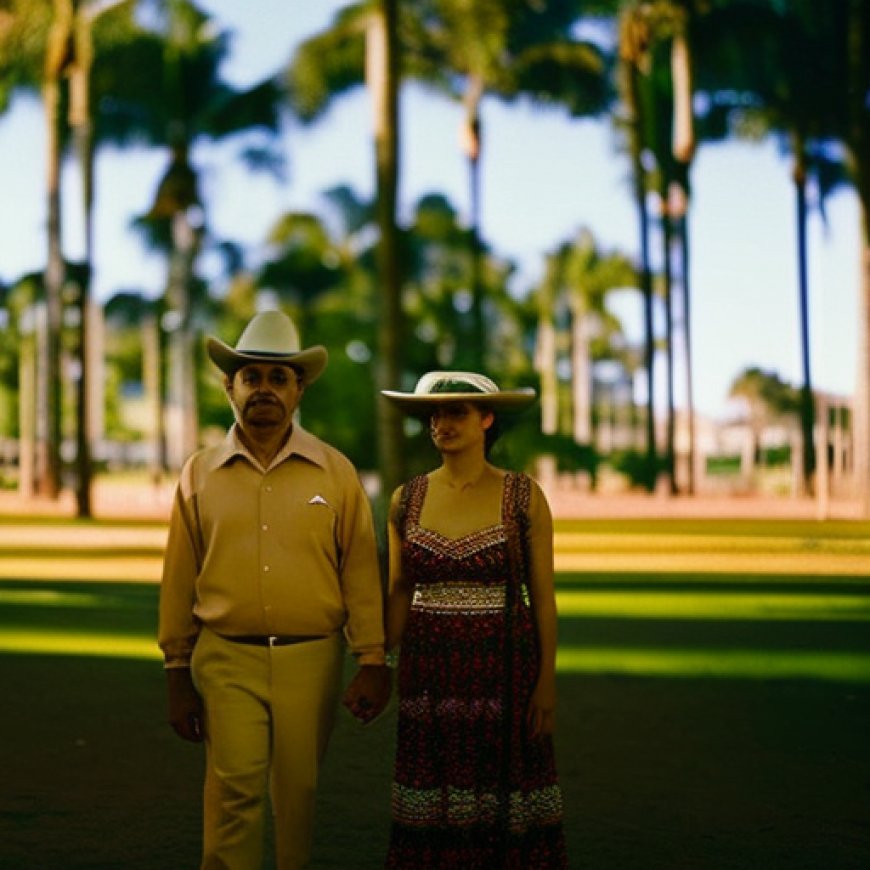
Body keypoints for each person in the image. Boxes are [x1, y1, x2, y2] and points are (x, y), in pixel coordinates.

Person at [158, 309, 391, 870]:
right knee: (233, 792)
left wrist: (373, 657)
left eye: (278, 377)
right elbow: (179, 574)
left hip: (310, 658)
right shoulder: (200, 473)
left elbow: (359, 571)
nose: (264, 389)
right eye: (252, 377)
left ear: (299, 387)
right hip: (225, 658)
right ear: (229, 386)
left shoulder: (335, 473)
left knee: (297, 797)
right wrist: (175, 672)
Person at [380, 371, 568, 868]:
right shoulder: (406, 499)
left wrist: (545, 681)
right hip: (429, 676)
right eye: (435, 414)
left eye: (457, 412)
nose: (442, 422)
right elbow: (400, 589)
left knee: (502, 798)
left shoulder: (523, 496)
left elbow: (542, 597)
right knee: (434, 794)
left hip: (504, 669)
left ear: (487, 419)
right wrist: (379, 662)